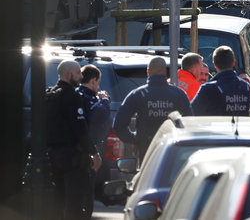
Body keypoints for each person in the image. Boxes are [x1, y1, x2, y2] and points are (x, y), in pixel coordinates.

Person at [45, 60, 101, 220]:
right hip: (72, 159)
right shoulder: (73, 96)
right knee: (77, 203)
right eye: (78, 73)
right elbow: (80, 129)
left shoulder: (49, 95)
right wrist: (94, 153)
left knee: (57, 201)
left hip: (52, 157)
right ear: (69, 74)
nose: (81, 76)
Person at [113, 57, 192, 161]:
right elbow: (190, 123)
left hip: (146, 152)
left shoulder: (138, 94)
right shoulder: (179, 94)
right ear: (165, 71)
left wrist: (136, 140)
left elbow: (118, 125)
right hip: (172, 151)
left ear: (148, 71)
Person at [76, 64, 111, 215]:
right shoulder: (85, 96)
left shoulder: (76, 93)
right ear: (94, 80)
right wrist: (104, 100)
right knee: (86, 190)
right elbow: (98, 115)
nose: (98, 86)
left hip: (78, 149)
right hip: (88, 150)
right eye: (98, 82)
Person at [191, 46, 250, 116]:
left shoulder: (208, 89)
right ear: (233, 63)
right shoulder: (245, 87)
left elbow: (191, 112)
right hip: (240, 126)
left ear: (215, 64)